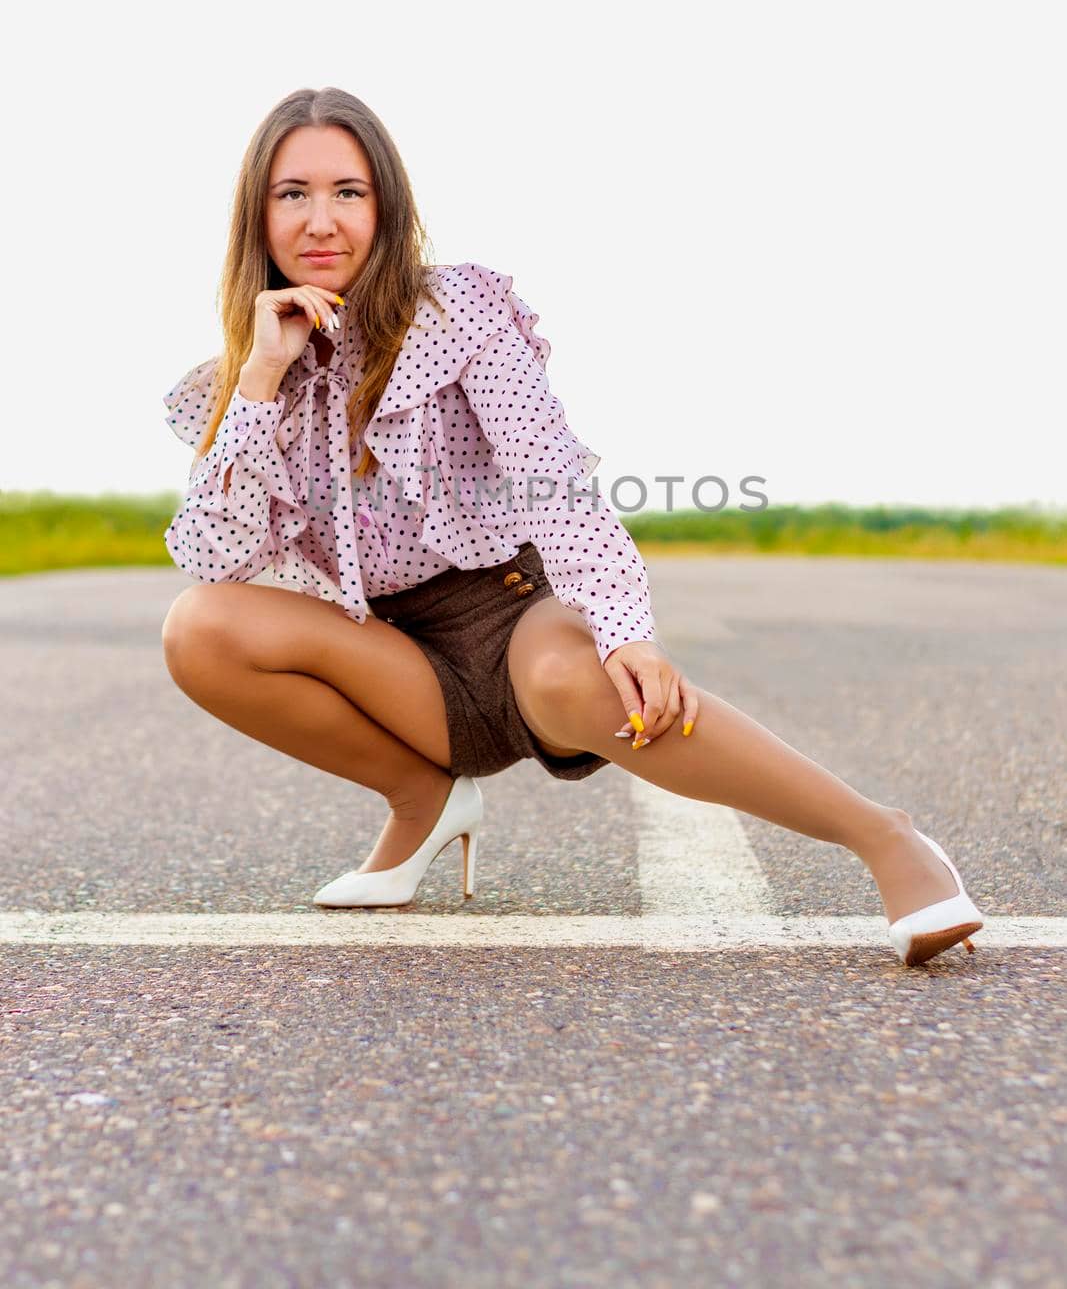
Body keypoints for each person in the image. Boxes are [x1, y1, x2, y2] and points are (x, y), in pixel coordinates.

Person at [160, 86, 984, 966]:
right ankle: (422, 800)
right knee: (201, 628)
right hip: (401, 657)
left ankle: (885, 838)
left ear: (386, 208)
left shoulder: (456, 313)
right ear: (258, 213)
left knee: (577, 682)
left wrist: (626, 631)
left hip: (511, 610)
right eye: (293, 194)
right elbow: (217, 556)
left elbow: (552, 478)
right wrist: (259, 382)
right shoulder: (252, 371)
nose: (321, 221)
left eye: (348, 192)